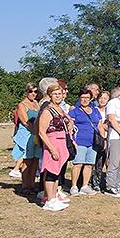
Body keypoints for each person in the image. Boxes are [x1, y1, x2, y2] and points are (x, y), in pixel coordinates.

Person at [37, 84, 73, 212]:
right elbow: (42, 132)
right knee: (51, 171)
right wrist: (51, 148)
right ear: (50, 95)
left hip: (62, 142)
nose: (58, 96)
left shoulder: (60, 109)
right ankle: (49, 199)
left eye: (60, 94)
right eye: (55, 94)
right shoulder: (47, 111)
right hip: (52, 141)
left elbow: (67, 121)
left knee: (57, 171)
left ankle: (53, 196)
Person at [68, 88, 102, 196]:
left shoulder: (96, 111)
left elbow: (100, 125)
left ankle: (85, 186)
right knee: (78, 164)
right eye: (82, 97)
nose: (85, 100)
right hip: (80, 141)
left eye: (87, 98)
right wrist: (72, 141)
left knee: (89, 164)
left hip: (93, 142)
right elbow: (70, 127)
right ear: (79, 98)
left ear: (91, 99)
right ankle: (73, 186)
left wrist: (103, 139)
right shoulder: (74, 111)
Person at [11, 83, 42, 194]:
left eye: (35, 91)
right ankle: (25, 185)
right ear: (26, 92)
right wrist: (36, 131)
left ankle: (32, 184)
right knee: (27, 161)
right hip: (27, 135)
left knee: (35, 160)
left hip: (36, 135)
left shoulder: (37, 104)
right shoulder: (22, 105)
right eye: (30, 91)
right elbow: (25, 122)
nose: (33, 94)